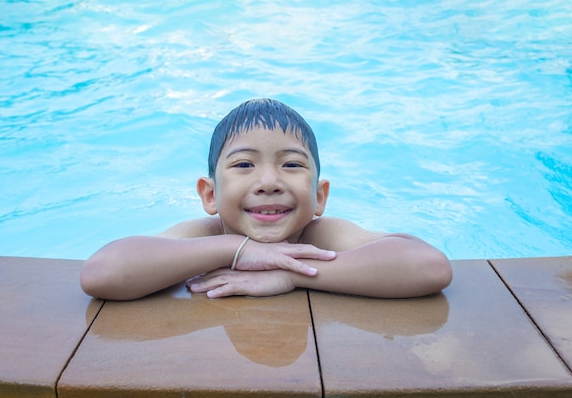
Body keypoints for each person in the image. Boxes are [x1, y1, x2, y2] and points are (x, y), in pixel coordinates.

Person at [80, 98, 452, 301]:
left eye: (291, 164)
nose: (269, 181)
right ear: (210, 195)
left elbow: (428, 267)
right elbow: (102, 273)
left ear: (319, 196)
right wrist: (234, 250)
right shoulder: (205, 235)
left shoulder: (318, 238)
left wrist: (292, 274)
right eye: (244, 164)